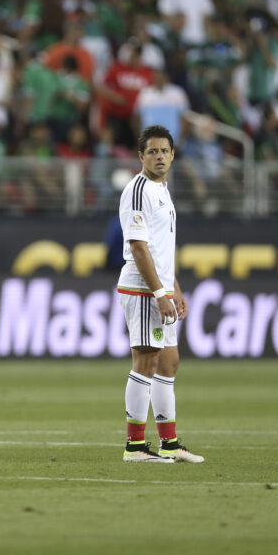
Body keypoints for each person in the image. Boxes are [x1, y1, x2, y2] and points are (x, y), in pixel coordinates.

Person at [117, 125, 204, 463]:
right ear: (141, 156)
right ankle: (135, 446)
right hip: (142, 288)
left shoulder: (162, 191)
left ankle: (170, 443)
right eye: (152, 151)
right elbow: (138, 248)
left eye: (164, 151)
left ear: (172, 155)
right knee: (147, 360)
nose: (159, 157)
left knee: (169, 362)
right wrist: (159, 292)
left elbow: (161, 249)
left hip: (160, 288)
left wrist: (175, 290)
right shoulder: (138, 190)